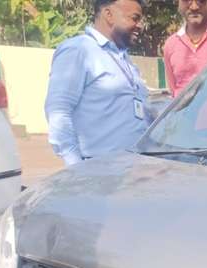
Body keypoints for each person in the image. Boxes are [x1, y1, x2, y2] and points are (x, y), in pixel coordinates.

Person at [45, 0, 149, 166]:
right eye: (134, 18)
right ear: (109, 14)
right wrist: (76, 167)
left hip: (133, 168)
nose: (140, 26)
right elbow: (58, 111)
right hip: (99, 170)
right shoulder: (78, 50)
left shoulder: (124, 59)